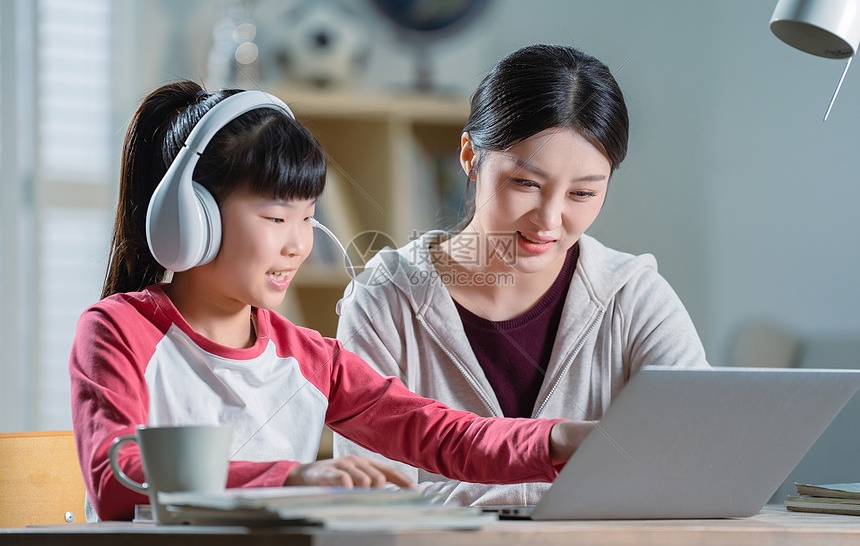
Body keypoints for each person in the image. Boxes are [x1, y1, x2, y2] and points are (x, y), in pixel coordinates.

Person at [69, 80, 594, 522]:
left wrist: (556, 441)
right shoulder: (117, 331)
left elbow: (440, 434)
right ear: (192, 219)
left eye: (308, 217)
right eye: (276, 218)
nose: (299, 244)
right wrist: (294, 480)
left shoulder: (310, 358)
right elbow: (116, 478)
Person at [333, 44, 710, 506]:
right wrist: (554, 479)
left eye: (583, 193)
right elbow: (369, 503)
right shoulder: (384, 302)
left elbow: (696, 466)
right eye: (526, 184)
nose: (549, 219)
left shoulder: (635, 299)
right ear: (470, 155)